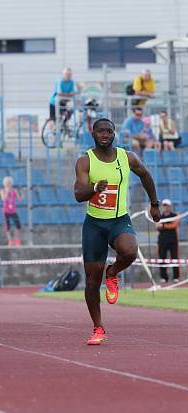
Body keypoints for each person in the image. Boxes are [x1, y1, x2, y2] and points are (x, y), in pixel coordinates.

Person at [74, 118, 160, 345]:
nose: (104, 135)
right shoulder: (85, 161)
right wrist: (94, 188)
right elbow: (78, 194)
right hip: (94, 225)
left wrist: (154, 204)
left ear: (114, 134)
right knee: (92, 282)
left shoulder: (127, 157)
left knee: (130, 251)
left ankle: (112, 273)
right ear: (93, 134)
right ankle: (98, 327)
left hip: (118, 220)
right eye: (100, 131)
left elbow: (145, 175)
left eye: (108, 131)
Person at [156, 199, 180, 284]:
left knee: (175, 259)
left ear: (170, 206)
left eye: (167, 205)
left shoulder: (175, 215)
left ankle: (176, 277)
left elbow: (174, 225)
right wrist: (163, 226)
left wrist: (163, 226)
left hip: (173, 241)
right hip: (162, 241)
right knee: (162, 259)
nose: (166, 207)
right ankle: (163, 277)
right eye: (164, 205)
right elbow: (157, 226)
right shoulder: (160, 216)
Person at [0, 176, 26, 247]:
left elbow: (19, 199)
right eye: (7, 183)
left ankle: (17, 240)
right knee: (7, 227)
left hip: (13, 210)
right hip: (6, 211)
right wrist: (7, 191)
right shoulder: (3, 190)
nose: (8, 185)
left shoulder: (14, 190)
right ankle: (10, 241)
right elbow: (3, 199)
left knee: (18, 225)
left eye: (10, 183)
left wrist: (23, 193)